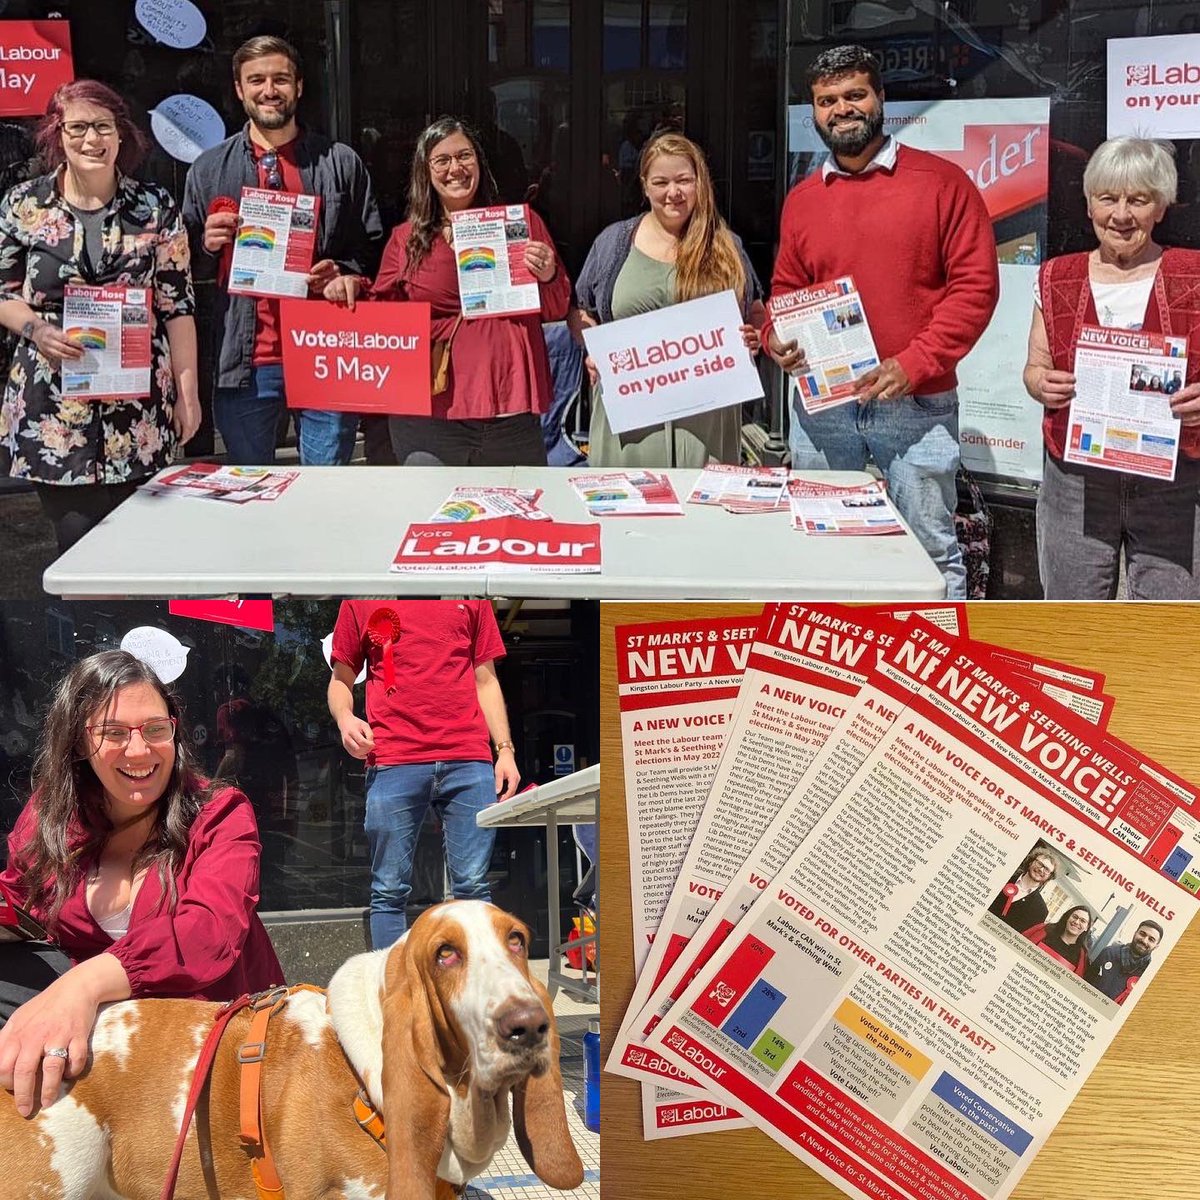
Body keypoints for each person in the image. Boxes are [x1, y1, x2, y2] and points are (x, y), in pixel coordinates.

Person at [0, 650, 283, 1117]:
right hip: (114, 1027)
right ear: (78, 743)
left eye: (154, 729)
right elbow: (17, 894)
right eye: (113, 733)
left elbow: (207, 933)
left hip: (214, 1031)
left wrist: (85, 984)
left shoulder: (220, 812)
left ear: (174, 732)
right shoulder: (50, 815)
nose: (139, 750)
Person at [763, 45, 999, 600]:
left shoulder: (942, 183)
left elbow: (976, 288)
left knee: (928, 552)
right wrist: (777, 337)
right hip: (825, 407)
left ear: (881, 99)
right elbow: (786, 289)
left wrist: (915, 363)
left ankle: (935, 654)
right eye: (827, 101)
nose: (841, 109)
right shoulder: (803, 199)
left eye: (854, 95)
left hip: (915, 403)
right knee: (824, 546)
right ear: (813, 111)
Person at [0, 80, 201, 553]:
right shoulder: (23, 205)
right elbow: (3, 292)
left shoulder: (154, 206)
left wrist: (188, 394)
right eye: (78, 127)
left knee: (140, 550)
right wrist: (35, 328)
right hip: (55, 409)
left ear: (121, 133)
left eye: (103, 126)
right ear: (57, 133)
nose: (92, 139)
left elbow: (177, 306)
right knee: (78, 548)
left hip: (139, 410)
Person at [182, 35, 382, 467]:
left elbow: (370, 248)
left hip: (325, 350)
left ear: (299, 86)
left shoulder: (340, 162)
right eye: (257, 80)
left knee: (325, 488)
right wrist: (205, 246)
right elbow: (179, 275)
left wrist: (345, 273)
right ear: (239, 89)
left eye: (281, 79)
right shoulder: (208, 169)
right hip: (246, 360)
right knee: (251, 486)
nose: (269, 90)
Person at [324, 116, 569, 466]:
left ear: (480, 163)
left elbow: (557, 308)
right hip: (431, 414)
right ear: (425, 172)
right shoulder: (405, 239)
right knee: (432, 502)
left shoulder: (521, 225)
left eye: (465, 156)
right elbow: (381, 315)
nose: (456, 168)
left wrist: (548, 275)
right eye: (442, 160)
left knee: (517, 502)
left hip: (508, 412)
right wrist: (352, 285)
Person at [1024, 137, 1200, 599]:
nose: (1121, 215)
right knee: (1072, 617)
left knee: (1172, 619)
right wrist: (1042, 383)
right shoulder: (1055, 276)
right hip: (1076, 481)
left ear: (1160, 208)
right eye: (1108, 199)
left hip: (1173, 480)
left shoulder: (1195, 274)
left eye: (1138, 200)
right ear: (1089, 206)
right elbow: (1035, 366)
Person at [327, 601, 521, 948]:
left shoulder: (470, 591)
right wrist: (345, 719)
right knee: (388, 889)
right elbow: (341, 679)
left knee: (473, 886)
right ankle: (392, 982)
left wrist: (505, 749)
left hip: (468, 757)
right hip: (393, 757)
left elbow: (486, 678)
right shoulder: (361, 596)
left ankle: (477, 979)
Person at [574, 130, 765, 468]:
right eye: (661, 182)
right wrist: (594, 348)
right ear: (645, 186)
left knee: (703, 502)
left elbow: (756, 312)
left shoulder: (726, 245)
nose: (673, 193)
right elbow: (580, 311)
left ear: (699, 183)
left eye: (683, 181)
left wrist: (755, 336)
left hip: (707, 424)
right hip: (631, 425)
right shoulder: (613, 243)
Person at [1083, 919, 1162, 1004]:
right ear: (1135, 933)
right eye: (1142, 934)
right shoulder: (1109, 953)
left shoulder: (1149, 975)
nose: (1144, 940)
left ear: (1156, 946)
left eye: (1151, 939)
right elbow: (1086, 981)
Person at [988, 848, 1058, 932]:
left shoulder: (1040, 910)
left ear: (1049, 876)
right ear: (1031, 862)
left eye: (1047, 869)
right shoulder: (1001, 877)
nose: (1041, 869)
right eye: (1039, 863)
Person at [1023, 905, 1092, 975]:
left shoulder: (1081, 957)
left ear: (1087, 927)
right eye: (1075, 917)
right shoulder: (1043, 929)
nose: (1076, 922)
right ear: (1068, 917)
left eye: (1083, 921)